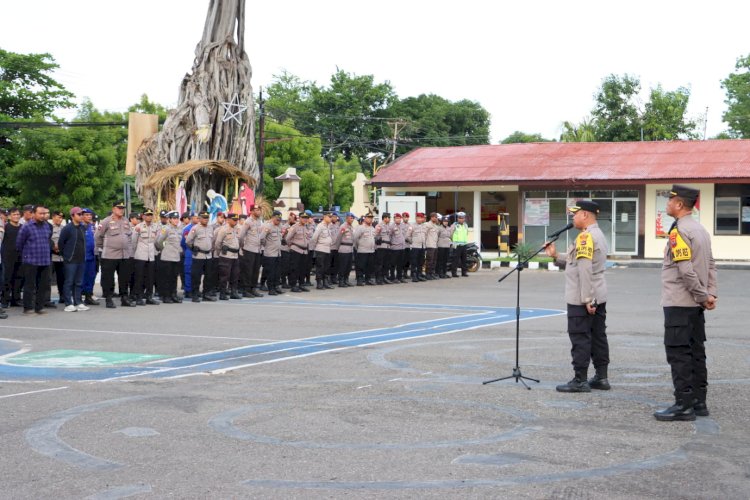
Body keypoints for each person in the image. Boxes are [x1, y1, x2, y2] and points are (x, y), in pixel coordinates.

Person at [654, 185, 718, 422]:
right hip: (695, 305)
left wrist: (703, 295)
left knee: (679, 354)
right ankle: (699, 401)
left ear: (679, 204)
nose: (667, 205)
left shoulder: (678, 232)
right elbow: (711, 264)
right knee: (696, 352)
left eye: (669, 201)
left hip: (680, 303)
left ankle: (683, 404)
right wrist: (710, 294)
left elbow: (685, 271)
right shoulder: (700, 230)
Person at [545, 200, 609, 393]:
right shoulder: (595, 234)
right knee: (598, 336)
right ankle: (601, 377)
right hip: (597, 294)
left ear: (585, 215)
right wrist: (556, 256)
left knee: (580, 337)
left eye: (575, 214)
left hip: (582, 297)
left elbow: (585, 269)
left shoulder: (585, 237)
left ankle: (580, 379)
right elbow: (577, 262)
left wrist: (587, 299)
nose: (572, 218)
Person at [95, 201, 135, 308]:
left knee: (124, 278)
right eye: (119, 208)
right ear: (113, 209)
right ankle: (108, 299)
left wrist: (128, 249)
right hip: (110, 255)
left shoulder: (126, 221)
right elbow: (98, 237)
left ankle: (124, 298)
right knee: (108, 278)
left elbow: (129, 237)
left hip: (124, 255)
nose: (121, 210)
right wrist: (105, 247)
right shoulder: (106, 221)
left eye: (122, 208)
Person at [16, 205, 53, 315]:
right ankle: (28, 308)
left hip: (45, 260)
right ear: (33, 214)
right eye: (40, 213)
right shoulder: (27, 227)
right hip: (31, 260)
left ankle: (39, 307)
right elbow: (19, 244)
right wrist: (26, 255)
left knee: (43, 285)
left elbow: (48, 240)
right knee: (30, 285)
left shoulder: (47, 226)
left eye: (44, 213)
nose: (43, 216)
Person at [57, 207, 89, 312]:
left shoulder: (82, 227)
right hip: (70, 259)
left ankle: (78, 301)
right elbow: (61, 243)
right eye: (79, 214)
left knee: (79, 282)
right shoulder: (67, 228)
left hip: (81, 259)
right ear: (72, 216)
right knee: (69, 281)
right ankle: (68, 303)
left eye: (82, 214)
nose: (81, 216)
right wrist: (66, 255)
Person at [185, 211, 217, 302]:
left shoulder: (210, 228)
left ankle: (206, 294)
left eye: (207, 218)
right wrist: (193, 248)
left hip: (208, 255)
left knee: (208, 276)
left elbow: (213, 240)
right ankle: (195, 294)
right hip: (199, 255)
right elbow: (188, 241)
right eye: (204, 218)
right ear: (199, 218)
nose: (206, 219)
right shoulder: (195, 228)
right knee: (196, 276)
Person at [131, 208, 160, 305]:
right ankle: (138, 297)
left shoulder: (155, 227)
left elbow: (157, 241)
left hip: (151, 255)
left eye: (151, 215)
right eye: (147, 215)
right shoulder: (138, 227)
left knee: (150, 278)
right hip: (140, 255)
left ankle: (149, 297)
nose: (149, 216)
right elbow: (133, 242)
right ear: (143, 216)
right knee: (139, 278)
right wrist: (134, 253)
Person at [155, 211, 184, 304]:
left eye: (177, 218)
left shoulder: (179, 229)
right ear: (170, 219)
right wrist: (162, 249)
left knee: (174, 277)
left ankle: (173, 294)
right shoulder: (166, 229)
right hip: (167, 256)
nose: (176, 220)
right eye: (174, 218)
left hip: (176, 257)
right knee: (166, 277)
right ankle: (166, 296)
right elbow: (158, 241)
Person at [214, 212, 241, 300]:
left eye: (236, 220)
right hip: (226, 256)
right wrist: (220, 253)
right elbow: (218, 243)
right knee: (224, 276)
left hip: (235, 255)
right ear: (228, 220)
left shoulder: (236, 229)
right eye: (234, 220)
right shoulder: (223, 229)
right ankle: (222, 293)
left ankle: (233, 292)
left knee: (235, 275)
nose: (236, 222)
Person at [238, 204, 264, 298]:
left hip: (257, 249)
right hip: (249, 249)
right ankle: (246, 290)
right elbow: (241, 236)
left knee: (255, 271)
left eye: (259, 210)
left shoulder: (259, 222)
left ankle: (253, 288)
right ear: (252, 211)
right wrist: (242, 246)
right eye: (256, 210)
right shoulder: (248, 221)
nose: (259, 211)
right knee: (248, 271)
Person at [2, 207, 23, 308]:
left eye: (18, 214)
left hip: (20, 257)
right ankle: (5, 300)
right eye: (14, 214)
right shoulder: (6, 227)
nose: (16, 216)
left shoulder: (23, 227)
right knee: (7, 279)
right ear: (9, 216)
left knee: (18, 279)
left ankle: (16, 300)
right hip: (7, 257)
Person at [285, 212, 311, 292]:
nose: (305, 219)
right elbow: (288, 238)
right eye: (303, 218)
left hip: (304, 251)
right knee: (294, 268)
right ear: (299, 218)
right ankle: (293, 285)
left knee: (303, 269)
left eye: (306, 218)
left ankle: (301, 284)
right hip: (296, 250)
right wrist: (292, 246)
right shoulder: (295, 227)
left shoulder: (306, 227)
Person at [260, 210, 284, 295]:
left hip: (278, 253)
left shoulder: (279, 226)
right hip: (270, 253)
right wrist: (266, 246)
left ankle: (276, 286)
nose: (279, 221)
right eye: (277, 219)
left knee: (277, 272)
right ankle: (271, 289)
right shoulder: (268, 226)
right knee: (271, 272)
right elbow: (262, 238)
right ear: (273, 217)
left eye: (280, 219)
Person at [80, 208, 100, 305]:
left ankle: (88, 296)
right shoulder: (79, 226)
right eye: (86, 215)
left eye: (90, 215)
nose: (89, 217)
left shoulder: (91, 227)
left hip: (92, 255)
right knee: (81, 278)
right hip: (81, 257)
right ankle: (79, 298)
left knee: (91, 277)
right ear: (82, 216)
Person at [311, 212, 334, 289]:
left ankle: (325, 282)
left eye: (331, 217)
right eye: (329, 217)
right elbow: (314, 238)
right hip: (321, 249)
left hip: (327, 249)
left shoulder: (328, 226)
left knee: (326, 267)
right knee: (320, 267)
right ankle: (319, 282)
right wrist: (316, 247)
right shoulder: (320, 226)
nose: (331, 218)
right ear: (324, 217)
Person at [353, 213, 376, 286]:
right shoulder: (361, 227)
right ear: (365, 218)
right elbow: (355, 238)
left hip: (371, 250)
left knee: (369, 266)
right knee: (361, 266)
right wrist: (358, 247)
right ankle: (359, 279)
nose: (370, 219)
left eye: (371, 218)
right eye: (369, 217)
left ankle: (368, 279)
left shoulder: (372, 228)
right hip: (362, 250)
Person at [451, 212, 470, 277]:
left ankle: (464, 272)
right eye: (459, 218)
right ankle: (454, 273)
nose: (461, 219)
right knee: (455, 260)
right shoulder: (454, 225)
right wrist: (453, 243)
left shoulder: (465, 225)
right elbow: (451, 234)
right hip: (457, 245)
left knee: (464, 260)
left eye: (462, 218)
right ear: (457, 218)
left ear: (464, 219)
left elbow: (466, 233)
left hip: (464, 245)